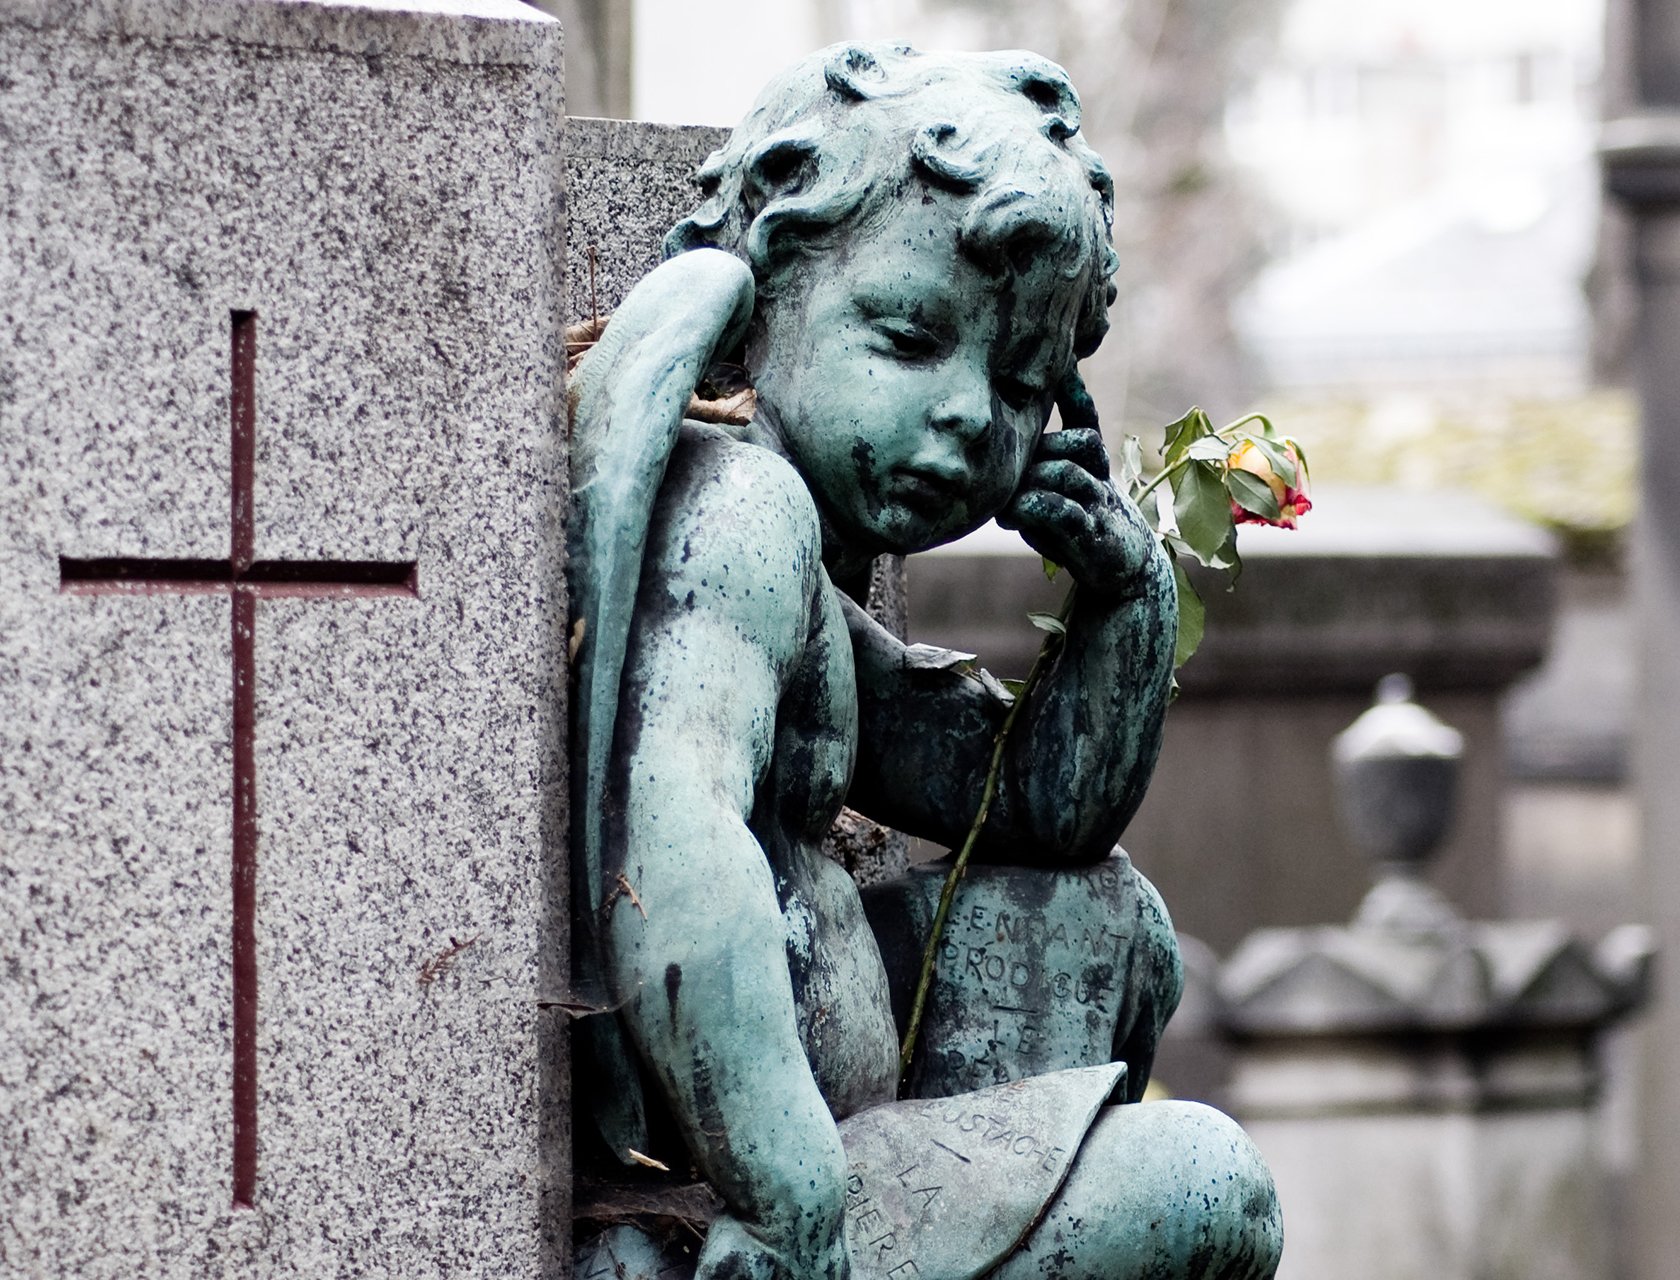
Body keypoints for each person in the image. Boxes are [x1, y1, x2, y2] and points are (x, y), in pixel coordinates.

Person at [567, 42, 1281, 1280]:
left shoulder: (806, 569)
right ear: (767, 291)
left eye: (1018, 383)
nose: (967, 414)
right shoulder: (741, 517)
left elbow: (1033, 806)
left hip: (831, 1160)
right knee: (1213, 1182)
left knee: (1107, 919)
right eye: (908, 338)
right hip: (766, 1203)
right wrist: (788, 1193)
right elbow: (671, 847)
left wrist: (1124, 597)